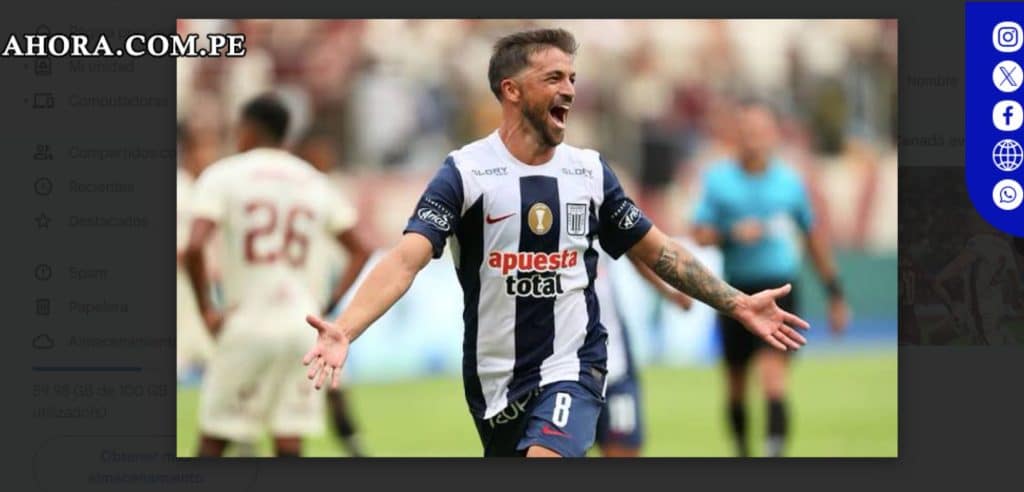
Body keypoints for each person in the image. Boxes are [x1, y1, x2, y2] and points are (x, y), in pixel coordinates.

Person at [303, 29, 809, 458]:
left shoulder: (589, 172)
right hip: (494, 381)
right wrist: (345, 329)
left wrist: (737, 303)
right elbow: (404, 261)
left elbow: (659, 250)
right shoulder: (465, 173)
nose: (568, 90)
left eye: (572, 79)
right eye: (553, 78)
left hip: (575, 366)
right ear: (511, 90)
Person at [183, 95, 371, 457]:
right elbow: (361, 249)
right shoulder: (313, 181)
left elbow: (193, 246)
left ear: (248, 130)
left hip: (247, 322)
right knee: (289, 442)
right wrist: (327, 304)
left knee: (215, 438)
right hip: (303, 326)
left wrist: (206, 308)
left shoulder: (224, 175)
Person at [691, 100, 849, 457]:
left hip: (779, 289)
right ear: (737, 135)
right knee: (735, 384)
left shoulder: (789, 183)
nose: (754, 138)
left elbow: (813, 238)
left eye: (760, 131)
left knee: (773, 377)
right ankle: (743, 451)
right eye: (747, 131)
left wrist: (835, 293)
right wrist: (731, 233)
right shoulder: (718, 180)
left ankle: (773, 455)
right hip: (733, 293)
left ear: (774, 134)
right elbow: (698, 233)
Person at [593, 251, 692, 457]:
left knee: (623, 446)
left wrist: (670, 291)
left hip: (611, 356)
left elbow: (638, 249)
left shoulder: (598, 229)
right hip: (553, 365)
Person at [932, 214, 1022, 345]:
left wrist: (940, 279)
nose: (972, 223)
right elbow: (1015, 280)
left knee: (983, 343)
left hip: (979, 313)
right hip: (992, 309)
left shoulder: (980, 241)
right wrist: (1015, 301)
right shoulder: (1005, 247)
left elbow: (958, 265)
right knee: (936, 336)